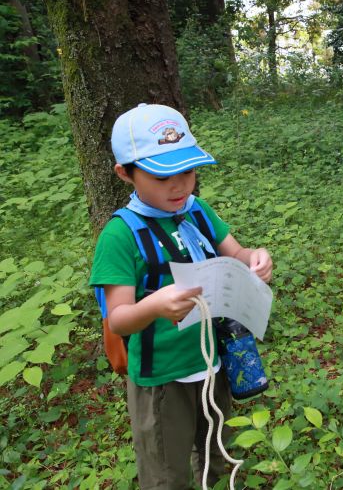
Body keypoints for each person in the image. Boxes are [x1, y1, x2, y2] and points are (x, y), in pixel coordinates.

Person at [89, 103, 273, 489]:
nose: (179, 186)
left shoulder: (197, 212)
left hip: (213, 363)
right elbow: (118, 318)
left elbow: (236, 254)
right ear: (125, 173)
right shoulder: (120, 236)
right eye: (162, 176)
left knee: (216, 454)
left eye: (187, 171)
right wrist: (155, 306)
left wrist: (255, 258)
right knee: (166, 473)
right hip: (163, 378)